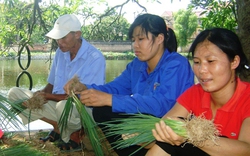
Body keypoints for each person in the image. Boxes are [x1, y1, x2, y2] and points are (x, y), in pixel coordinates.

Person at [64, 13, 194, 155]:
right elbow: (115, 88)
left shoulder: (176, 64)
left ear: (159, 39)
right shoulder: (137, 65)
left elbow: (163, 105)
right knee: (101, 111)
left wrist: (110, 99)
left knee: (109, 104)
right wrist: (85, 88)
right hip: (143, 120)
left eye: (141, 39)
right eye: (133, 40)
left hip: (167, 127)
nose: (135, 45)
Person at [7, 14, 106, 152]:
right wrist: (39, 94)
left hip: (81, 110)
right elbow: (51, 85)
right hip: (58, 105)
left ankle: (76, 133)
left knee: (63, 105)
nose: (59, 42)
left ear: (77, 34)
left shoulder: (95, 58)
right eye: (58, 38)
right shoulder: (61, 52)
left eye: (63, 37)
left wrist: (48, 97)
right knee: (14, 94)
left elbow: (85, 97)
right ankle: (59, 128)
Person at [146, 28, 250, 156]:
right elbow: (165, 126)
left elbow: (247, 149)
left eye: (210, 61)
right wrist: (148, 136)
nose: (201, 70)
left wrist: (190, 134)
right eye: (196, 62)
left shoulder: (247, 97)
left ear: (234, 62)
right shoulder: (195, 93)